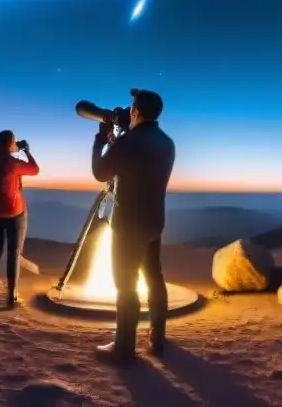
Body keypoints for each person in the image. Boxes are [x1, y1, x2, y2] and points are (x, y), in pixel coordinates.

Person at [90, 89, 175, 365]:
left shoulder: (129, 142)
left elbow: (100, 172)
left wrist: (102, 138)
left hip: (128, 226)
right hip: (154, 222)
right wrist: (121, 138)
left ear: (136, 111)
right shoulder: (167, 142)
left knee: (125, 285)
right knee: (153, 277)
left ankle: (124, 349)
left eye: (131, 107)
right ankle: (157, 337)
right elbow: (139, 168)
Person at [0, 130, 40, 308]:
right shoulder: (13, 163)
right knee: (13, 253)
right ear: (9, 144)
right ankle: (11, 296)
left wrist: (15, 150)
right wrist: (26, 151)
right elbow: (35, 169)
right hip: (14, 212)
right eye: (13, 142)